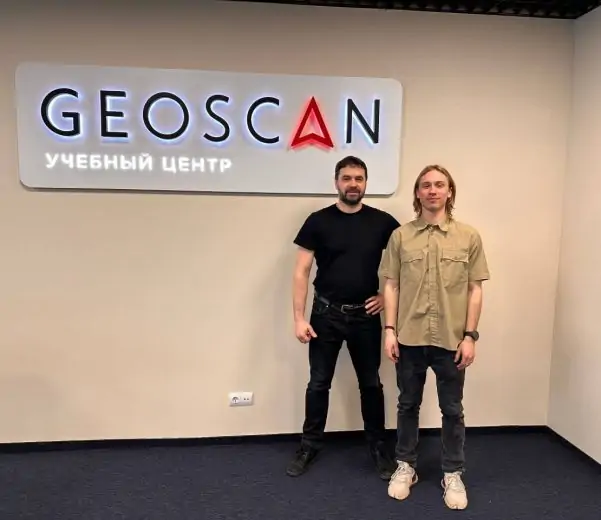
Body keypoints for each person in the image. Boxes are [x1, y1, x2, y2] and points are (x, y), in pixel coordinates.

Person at [379, 165, 490, 510]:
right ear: (417, 193)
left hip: (451, 340)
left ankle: (452, 472)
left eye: (439, 185)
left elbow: (474, 289)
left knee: (452, 409)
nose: (432, 190)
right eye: (425, 185)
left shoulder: (468, 236)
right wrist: (389, 330)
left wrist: (470, 336)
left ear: (449, 191)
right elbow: (391, 285)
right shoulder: (401, 237)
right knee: (407, 405)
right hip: (409, 337)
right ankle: (406, 466)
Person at [286, 155, 401, 480]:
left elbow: (407, 263)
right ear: (337, 182)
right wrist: (299, 318)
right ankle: (309, 446)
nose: (353, 184)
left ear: (366, 183)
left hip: (365, 316)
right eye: (347, 178)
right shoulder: (318, 221)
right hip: (325, 314)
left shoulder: (382, 223)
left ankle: (378, 447)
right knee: (318, 383)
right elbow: (301, 271)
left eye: (359, 178)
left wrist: (386, 296)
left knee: (371, 384)